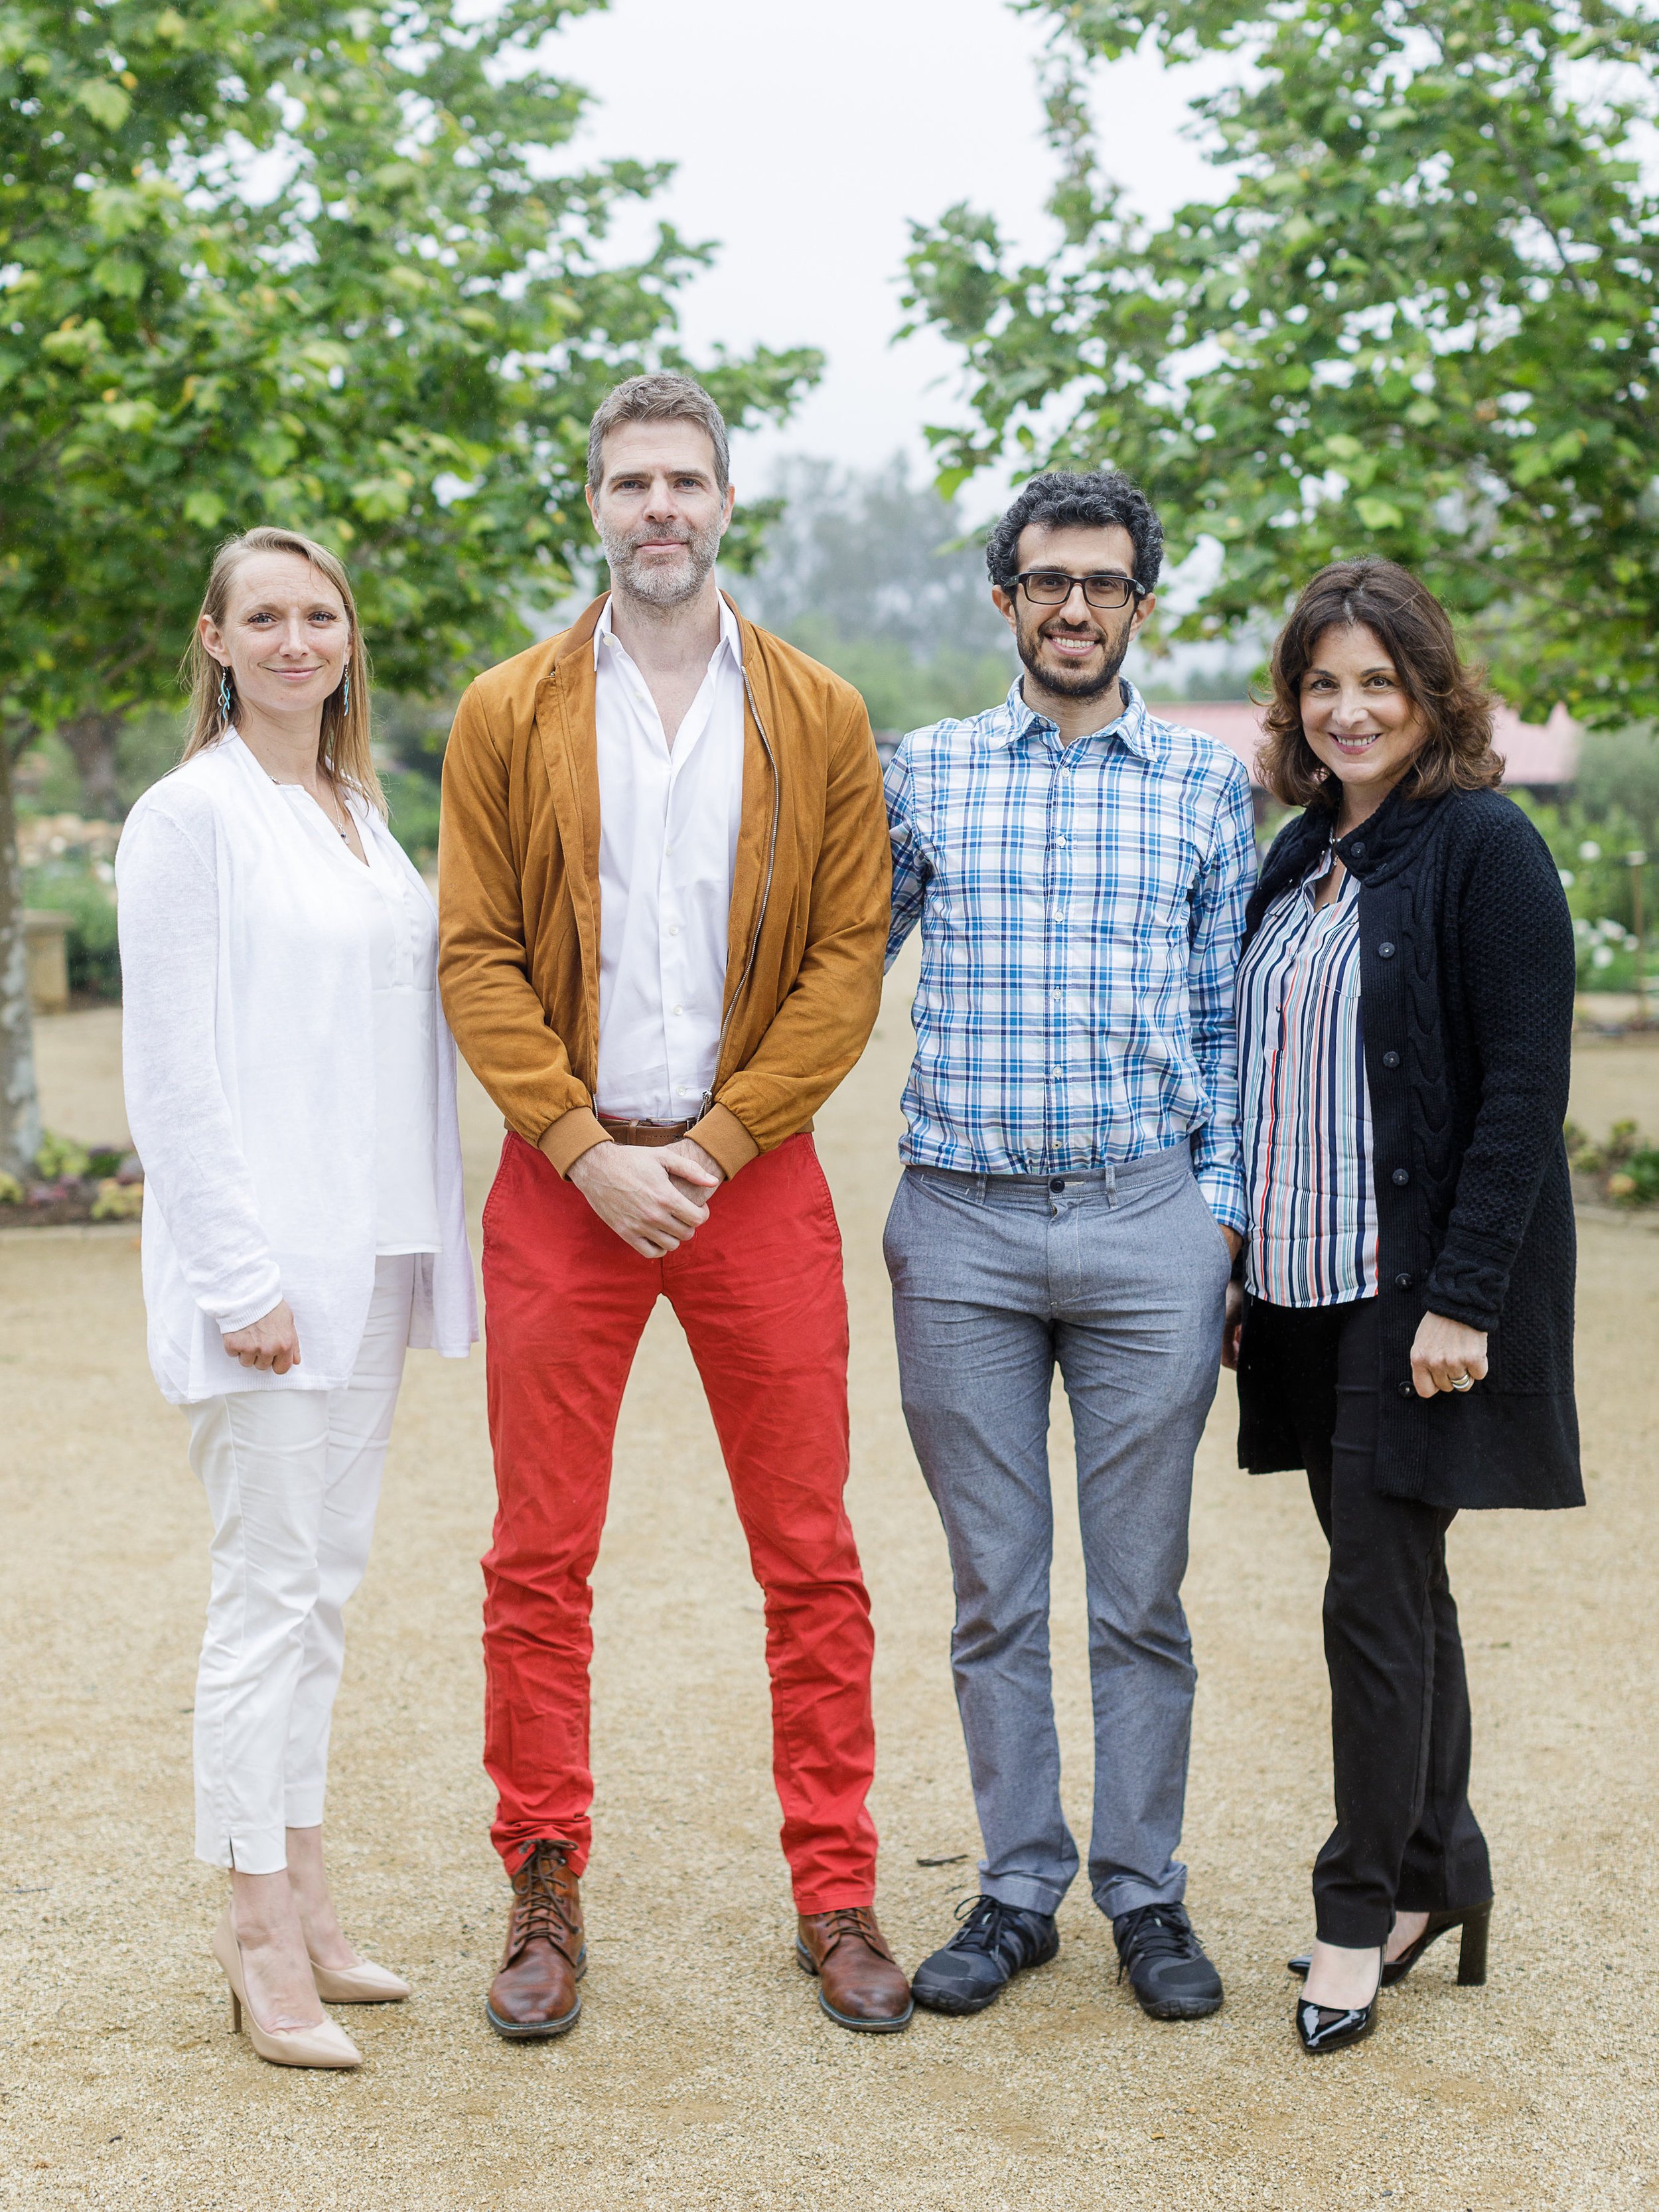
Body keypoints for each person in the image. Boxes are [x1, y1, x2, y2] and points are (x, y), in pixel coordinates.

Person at [438, 372, 909, 2039]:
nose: (658, 507)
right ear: (594, 505)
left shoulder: (818, 710)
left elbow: (848, 960)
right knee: (537, 1552)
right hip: (567, 1179)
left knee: (810, 1551)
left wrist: (708, 1144)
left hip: (747, 1174)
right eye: (629, 480)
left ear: (725, 501)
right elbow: (475, 955)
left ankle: (835, 1886)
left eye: (684, 480)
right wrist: (581, 1144)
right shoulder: (506, 709)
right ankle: (544, 1879)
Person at [883, 469, 1257, 2022]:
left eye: (1104, 583)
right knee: (993, 1585)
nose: (1076, 607)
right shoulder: (923, 774)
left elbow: (1228, 1022)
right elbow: (830, 963)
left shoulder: (1203, 785)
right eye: (1048, 581)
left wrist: (1221, 1220)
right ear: (1004, 599)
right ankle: (1017, 1882)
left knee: (1136, 1592)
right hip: (958, 1225)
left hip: (1143, 1218)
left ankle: (1144, 1892)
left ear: (1140, 603)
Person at [116, 527, 476, 2069]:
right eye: (261, 616)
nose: (293, 639)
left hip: (367, 1255)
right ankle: (256, 1933)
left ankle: (314, 1896)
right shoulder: (186, 816)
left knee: (320, 1592)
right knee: (263, 1601)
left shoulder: (350, 806)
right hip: (265, 1277)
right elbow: (174, 1072)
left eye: (317, 614)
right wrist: (238, 1276)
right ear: (213, 639)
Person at [1225, 558, 1581, 2056]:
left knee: (1368, 1596)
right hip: (1301, 1287)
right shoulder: (1298, 850)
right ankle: (1448, 1866)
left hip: (1407, 1292)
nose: (1348, 706)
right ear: (1293, 707)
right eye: (1322, 683)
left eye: (1378, 680)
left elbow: (1520, 1092)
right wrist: (1246, 1271)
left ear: (1431, 693)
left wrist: (1461, 1299)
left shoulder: (1482, 847)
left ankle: (1358, 1907)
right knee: (1401, 1586)